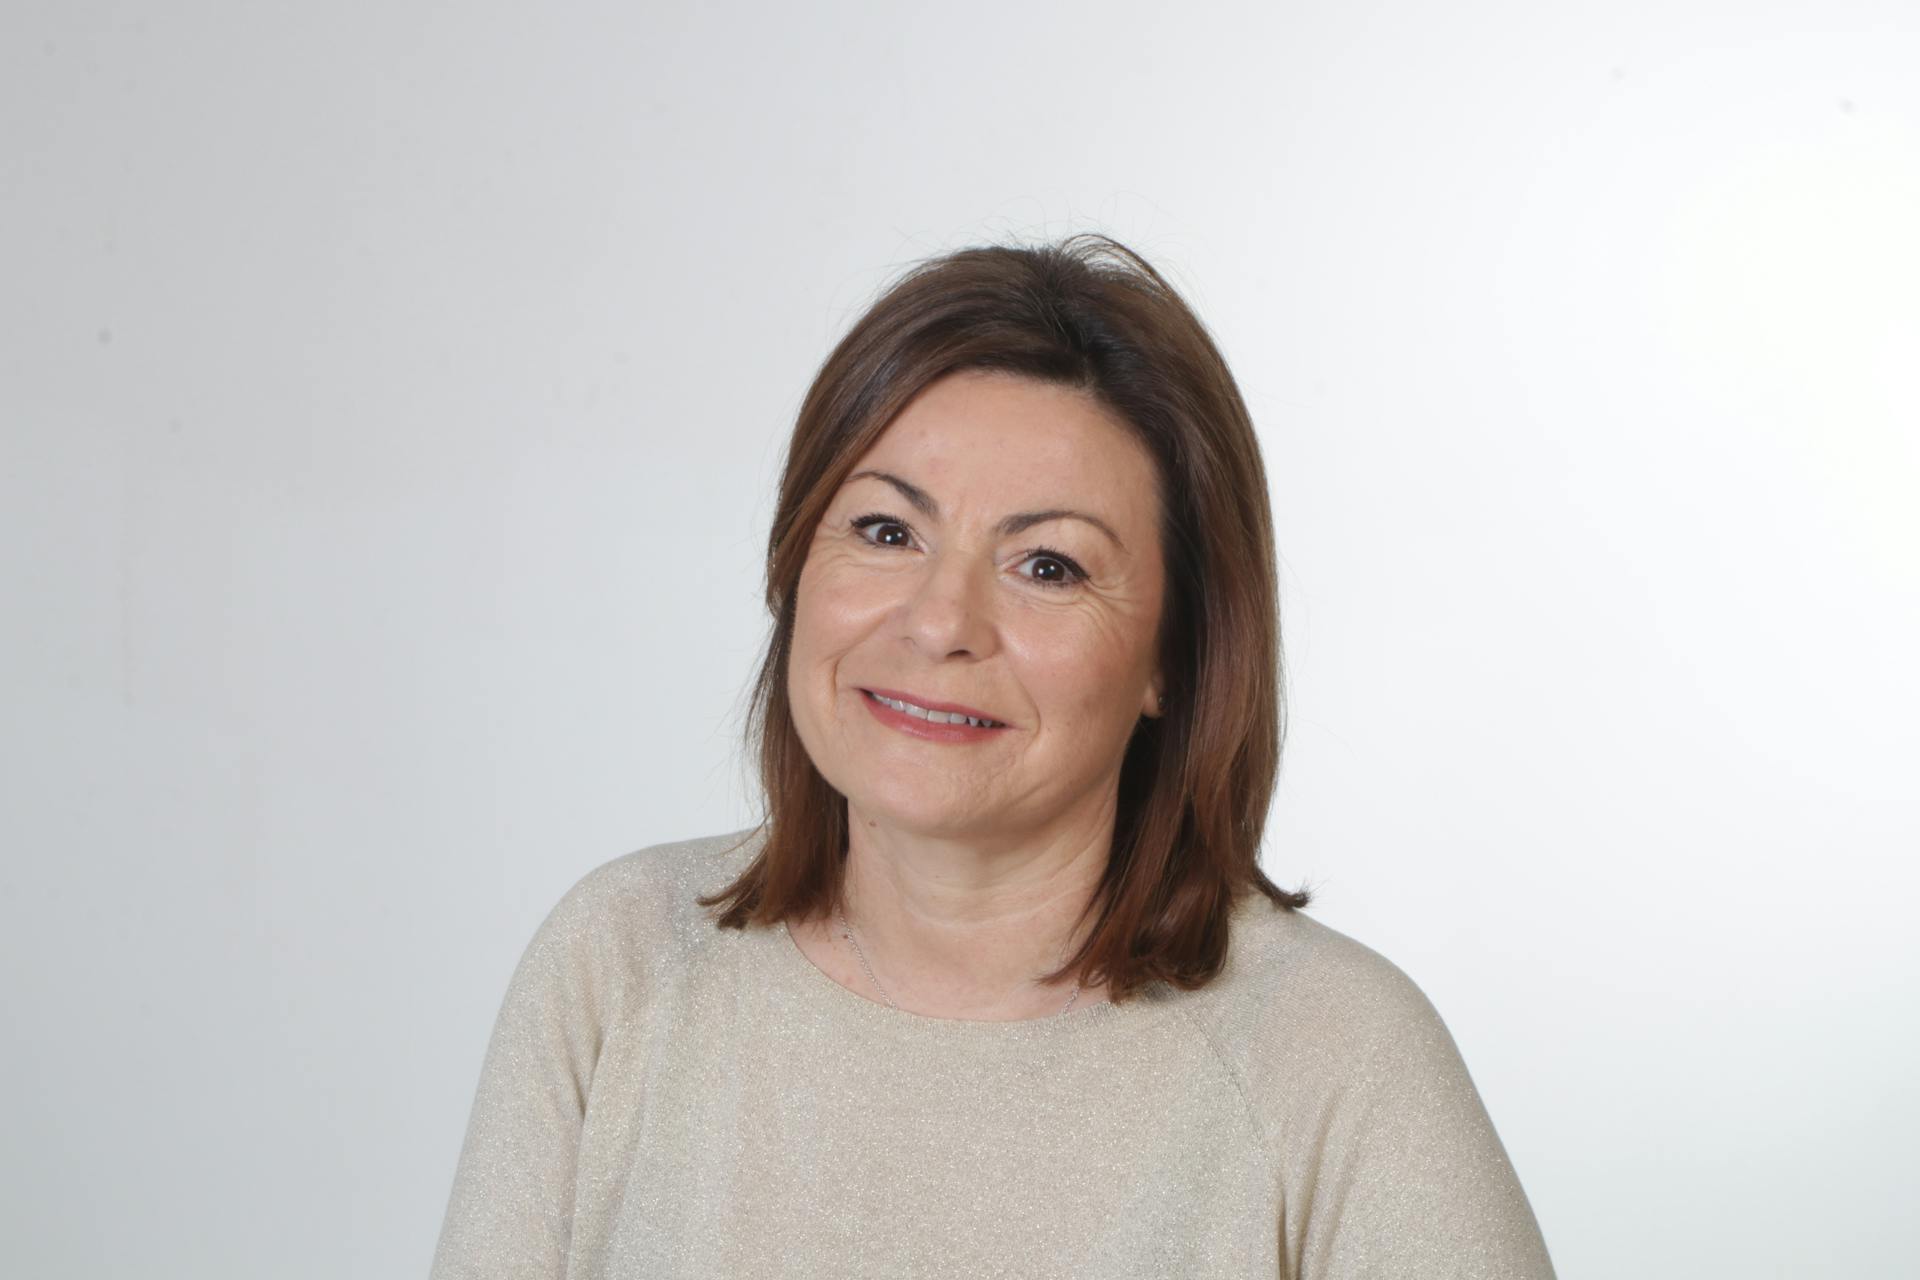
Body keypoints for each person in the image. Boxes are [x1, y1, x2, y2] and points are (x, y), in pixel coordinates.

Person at [428, 235, 1557, 1278]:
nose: (938, 621)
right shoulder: (619, 966)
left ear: (1177, 653)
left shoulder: (1336, 1059)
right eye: (885, 530)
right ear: (793, 569)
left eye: (1049, 565)